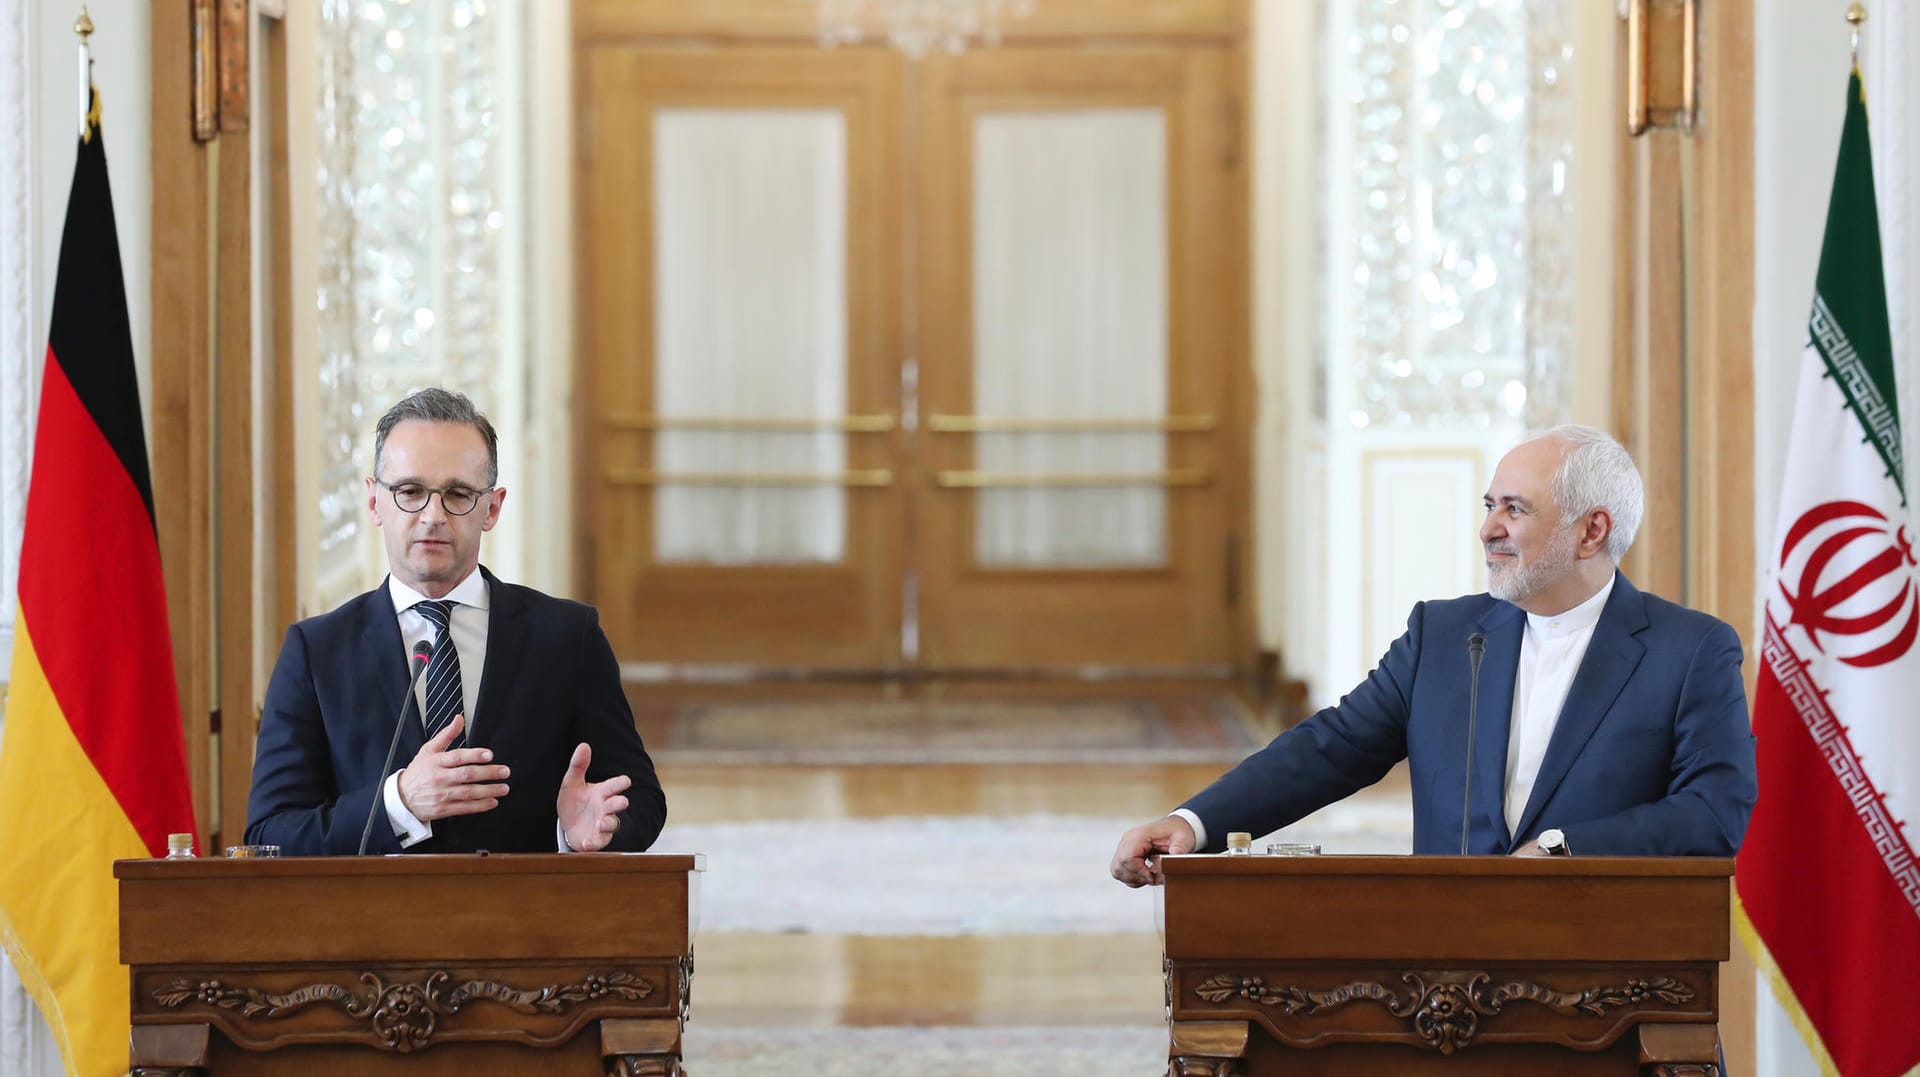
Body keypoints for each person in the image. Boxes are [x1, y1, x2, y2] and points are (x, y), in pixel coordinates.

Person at [1111, 425, 1757, 886]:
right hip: (1445, 997)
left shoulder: (1690, 650)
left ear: (1592, 530)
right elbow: (1328, 749)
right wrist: (1194, 823)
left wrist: (1565, 849)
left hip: (1611, 987)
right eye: (1489, 505)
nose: (1489, 528)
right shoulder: (1446, 637)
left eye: (1514, 508)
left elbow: (1715, 810)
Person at [246, 388, 666, 855]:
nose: (432, 515)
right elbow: (271, 834)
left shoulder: (568, 637)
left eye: (458, 494)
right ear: (373, 502)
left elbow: (642, 800)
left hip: (525, 920)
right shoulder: (316, 651)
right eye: (410, 492)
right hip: (372, 924)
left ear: (492, 508)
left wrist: (577, 833)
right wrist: (400, 802)